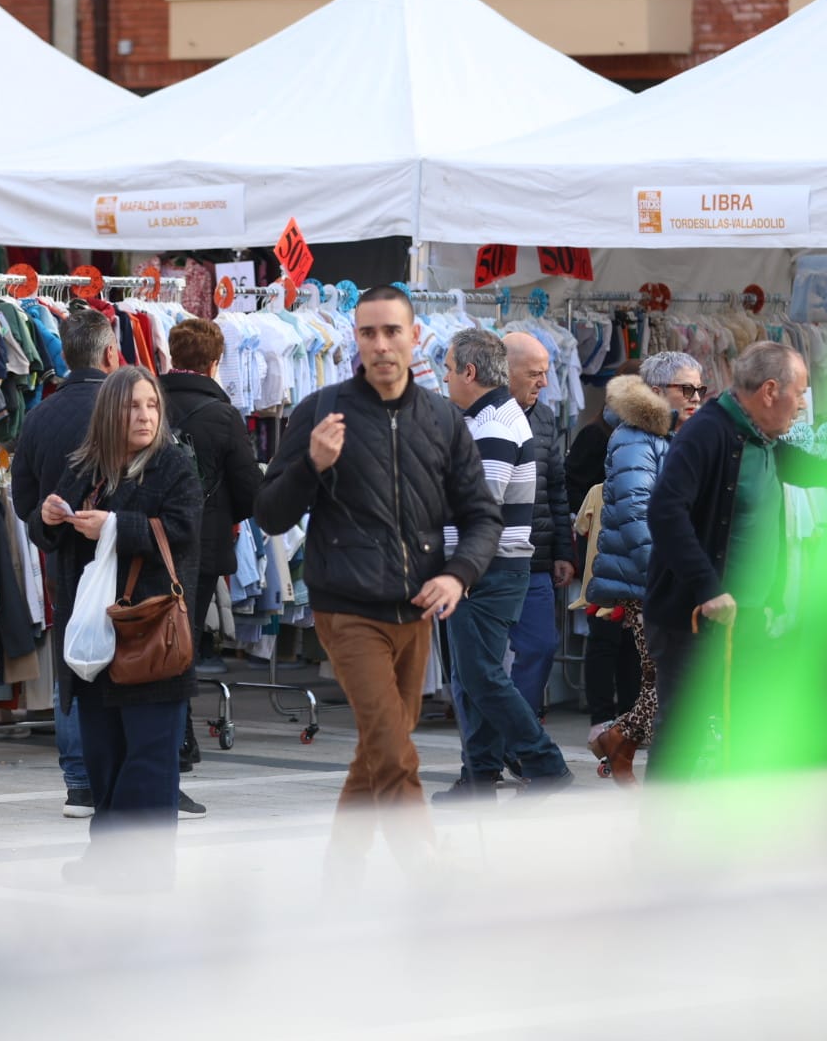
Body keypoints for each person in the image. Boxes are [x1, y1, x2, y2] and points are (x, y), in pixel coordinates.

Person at [254, 285, 501, 880]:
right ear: (354, 340)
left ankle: (343, 867)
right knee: (392, 748)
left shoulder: (442, 419)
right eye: (368, 333)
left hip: (415, 610)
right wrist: (310, 466)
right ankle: (426, 868)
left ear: (416, 337)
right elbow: (269, 514)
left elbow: (482, 517)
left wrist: (458, 573)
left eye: (393, 331)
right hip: (347, 609)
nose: (381, 344)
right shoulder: (321, 410)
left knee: (377, 748)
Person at [29, 366, 203, 884]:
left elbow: (185, 530)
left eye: (152, 405)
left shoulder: (174, 465)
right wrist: (50, 516)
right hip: (94, 642)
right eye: (133, 406)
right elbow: (48, 534)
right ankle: (106, 861)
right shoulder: (87, 466)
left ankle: (143, 871)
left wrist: (115, 527)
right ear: (110, 413)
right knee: (105, 758)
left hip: (149, 636)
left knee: (149, 763)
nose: (146, 415)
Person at [644, 342, 827, 781]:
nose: (805, 402)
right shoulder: (709, 432)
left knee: (749, 725)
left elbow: (791, 463)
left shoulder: (761, 436)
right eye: (801, 391)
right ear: (771, 390)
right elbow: (664, 510)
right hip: (697, 617)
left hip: (747, 616)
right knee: (684, 733)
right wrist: (708, 587)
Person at [434, 328, 573, 802]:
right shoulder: (490, 417)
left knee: (481, 678)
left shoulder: (492, 423)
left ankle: (544, 763)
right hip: (487, 566)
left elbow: (480, 506)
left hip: (483, 568)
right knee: (474, 679)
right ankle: (480, 776)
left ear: (469, 372)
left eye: (449, 369)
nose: (445, 378)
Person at [12, 305, 120, 818]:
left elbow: (22, 503)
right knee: (130, 662)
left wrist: (48, 518)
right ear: (108, 353)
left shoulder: (40, 416)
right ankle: (122, 773)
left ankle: (79, 781)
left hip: (67, 562)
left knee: (73, 662)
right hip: (129, 558)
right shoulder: (134, 409)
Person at [583, 351, 705, 784]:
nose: (694, 398)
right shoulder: (636, 437)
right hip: (647, 581)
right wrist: (670, 577)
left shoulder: (673, 434)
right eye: (684, 390)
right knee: (669, 679)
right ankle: (626, 744)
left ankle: (620, 742)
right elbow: (637, 515)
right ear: (656, 391)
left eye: (699, 390)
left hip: (662, 579)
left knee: (662, 680)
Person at [158, 319, 264, 772]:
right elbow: (250, 491)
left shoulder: (146, 402)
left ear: (171, 356)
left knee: (149, 634)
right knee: (185, 641)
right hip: (200, 545)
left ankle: (160, 732)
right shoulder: (223, 416)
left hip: (144, 537)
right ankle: (179, 737)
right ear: (216, 362)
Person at [566, 360, 648, 741]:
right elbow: (573, 492)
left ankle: (631, 713)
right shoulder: (596, 435)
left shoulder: (648, 438)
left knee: (634, 639)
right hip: (603, 551)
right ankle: (602, 716)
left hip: (637, 552)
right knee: (606, 636)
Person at [501, 332, 573, 721]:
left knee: (541, 647)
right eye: (535, 374)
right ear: (506, 370)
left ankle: (520, 729)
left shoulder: (545, 418)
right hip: (487, 561)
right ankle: (486, 754)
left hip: (536, 560)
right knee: (482, 661)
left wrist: (564, 550)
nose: (544, 383)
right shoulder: (475, 415)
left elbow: (555, 488)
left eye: (545, 373)